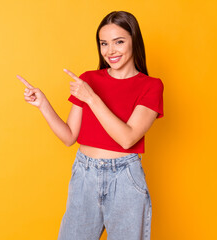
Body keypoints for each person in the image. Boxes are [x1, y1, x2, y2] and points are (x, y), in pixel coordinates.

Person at [17, 10, 163, 240]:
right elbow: (68, 137)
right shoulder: (89, 79)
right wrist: (42, 104)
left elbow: (127, 139)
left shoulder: (151, 86)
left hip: (125, 178)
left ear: (134, 41)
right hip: (84, 173)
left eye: (119, 42)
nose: (110, 50)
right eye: (104, 43)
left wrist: (92, 98)